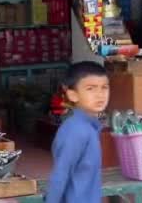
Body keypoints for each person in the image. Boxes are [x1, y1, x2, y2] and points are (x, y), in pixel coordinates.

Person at [45, 61, 110, 203]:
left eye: (104, 88)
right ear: (73, 95)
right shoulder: (76, 131)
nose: (100, 95)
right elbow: (60, 175)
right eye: (90, 89)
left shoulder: (90, 127)